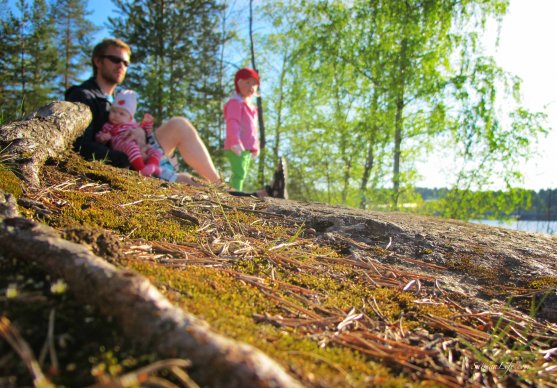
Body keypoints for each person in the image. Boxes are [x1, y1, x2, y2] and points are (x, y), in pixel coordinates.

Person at [65, 38, 221, 185]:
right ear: (98, 61)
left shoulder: (119, 98)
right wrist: (128, 156)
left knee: (179, 125)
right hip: (128, 161)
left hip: (141, 153)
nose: (121, 66)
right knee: (187, 182)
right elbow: (80, 145)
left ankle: (219, 185)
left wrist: (141, 132)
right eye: (115, 59)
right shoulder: (83, 96)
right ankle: (217, 189)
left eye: (126, 63)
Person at [96, 89, 161, 177]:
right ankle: (141, 170)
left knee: (156, 151)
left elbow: (145, 131)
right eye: (114, 111)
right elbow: (101, 135)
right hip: (122, 142)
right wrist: (103, 137)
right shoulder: (109, 125)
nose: (116, 115)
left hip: (137, 146)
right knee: (132, 147)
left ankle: (152, 165)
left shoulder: (133, 124)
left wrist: (148, 122)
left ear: (130, 118)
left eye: (122, 114)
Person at [223, 68, 260, 191]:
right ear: (239, 83)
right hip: (237, 146)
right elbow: (232, 122)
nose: (251, 86)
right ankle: (235, 196)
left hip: (247, 147)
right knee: (239, 172)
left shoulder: (251, 107)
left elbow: (253, 129)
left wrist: (255, 146)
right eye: (247, 82)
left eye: (254, 83)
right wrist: (235, 141)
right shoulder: (235, 103)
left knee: (243, 172)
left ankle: (236, 193)